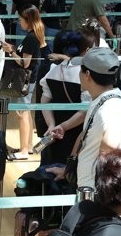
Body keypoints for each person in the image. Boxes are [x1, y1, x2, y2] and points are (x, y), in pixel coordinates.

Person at [53, 48, 121, 191]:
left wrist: (101, 184)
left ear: (87, 74)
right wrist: (71, 170)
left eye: (80, 70)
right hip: (88, 185)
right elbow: (87, 133)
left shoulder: (111, 108)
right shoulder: (103, 100)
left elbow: (110, 144)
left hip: (96, 191)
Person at [37, 30, 96, 165]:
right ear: (86, 50)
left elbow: (44, 101)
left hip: (53, 134)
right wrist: (62, 127)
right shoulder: (85, 75)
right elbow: (84, 110)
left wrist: (52, 125)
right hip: (76, 133)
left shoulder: (54, 70)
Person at [3, 5, 51, 157]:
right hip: (29, 79)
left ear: (28, 20)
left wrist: (10, 52)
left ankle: (24, 150)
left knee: (22, 113)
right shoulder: (33, 36)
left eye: (20, 19)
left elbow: (25, 63)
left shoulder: (31, 37)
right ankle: (28, 146)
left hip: (25, 79)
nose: (19, 21)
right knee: (26, 112)